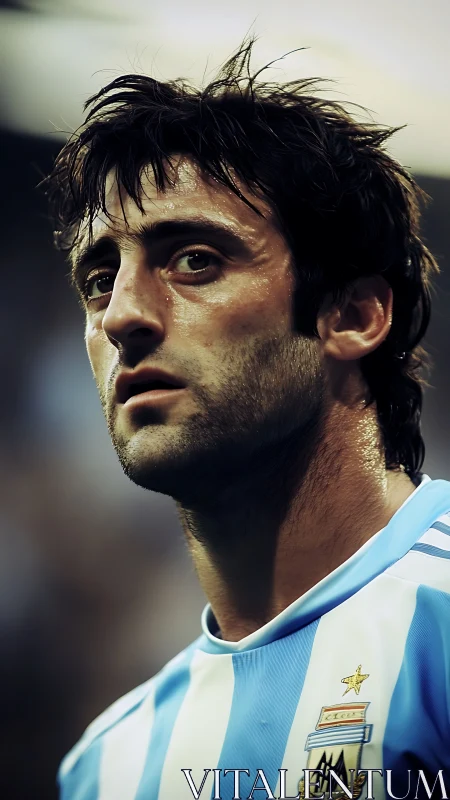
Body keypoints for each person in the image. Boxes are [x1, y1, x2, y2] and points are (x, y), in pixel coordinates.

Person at [45, 40, 450, 800]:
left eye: (194, 259)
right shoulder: (108, 768)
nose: (124, 314)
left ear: (353, 314)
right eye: (100, 281)